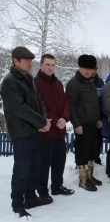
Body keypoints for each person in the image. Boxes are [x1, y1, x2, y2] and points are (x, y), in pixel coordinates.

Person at [0, 47, 52, 217]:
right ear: (15, 60)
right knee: (22, 170)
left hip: (34, 130)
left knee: (34, 167)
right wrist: (42, 122)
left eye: (31, 60)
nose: (30, 63)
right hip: (21, 133)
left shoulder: (28, 78)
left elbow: (39, 102)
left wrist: (43, 121)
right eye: (27, 60)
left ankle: (31, 197)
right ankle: (17, 203)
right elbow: (19, 109)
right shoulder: (9, 82)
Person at [34, 54, 75, 199]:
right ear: (41, 65)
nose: (50, 68)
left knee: (59, 160)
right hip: (46, 129)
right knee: (44, 163)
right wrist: (58, 119)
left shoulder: (58, 83)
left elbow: (65, 102)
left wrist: (65, 118)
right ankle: (42, 191)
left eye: (53, 65)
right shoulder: (36, 83)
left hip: (60, 129)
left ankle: (57, 186)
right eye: (47, 64)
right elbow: (40, 106)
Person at [66, 55, 103, 191]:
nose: (88, 71)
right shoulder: (74, 83)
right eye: (86, 68)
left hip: (93, 122)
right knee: (83, 151)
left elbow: (95, 103)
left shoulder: (90, 82)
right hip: (82, 123)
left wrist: (98, 118)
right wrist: (76, 124)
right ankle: (83, 180)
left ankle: (89, 176)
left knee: (92, 150)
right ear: (80, 67)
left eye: (91, 69)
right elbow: (70, 105)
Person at [91, 65, 105, 165]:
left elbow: (102, 101)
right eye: (92, 69)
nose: (94, 71)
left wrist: (99, 117)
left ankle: (96, 158)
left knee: (97, 139)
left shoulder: (100, 82)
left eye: (96, 69)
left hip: (98, 116)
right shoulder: (82, 81)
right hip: (85, 118)